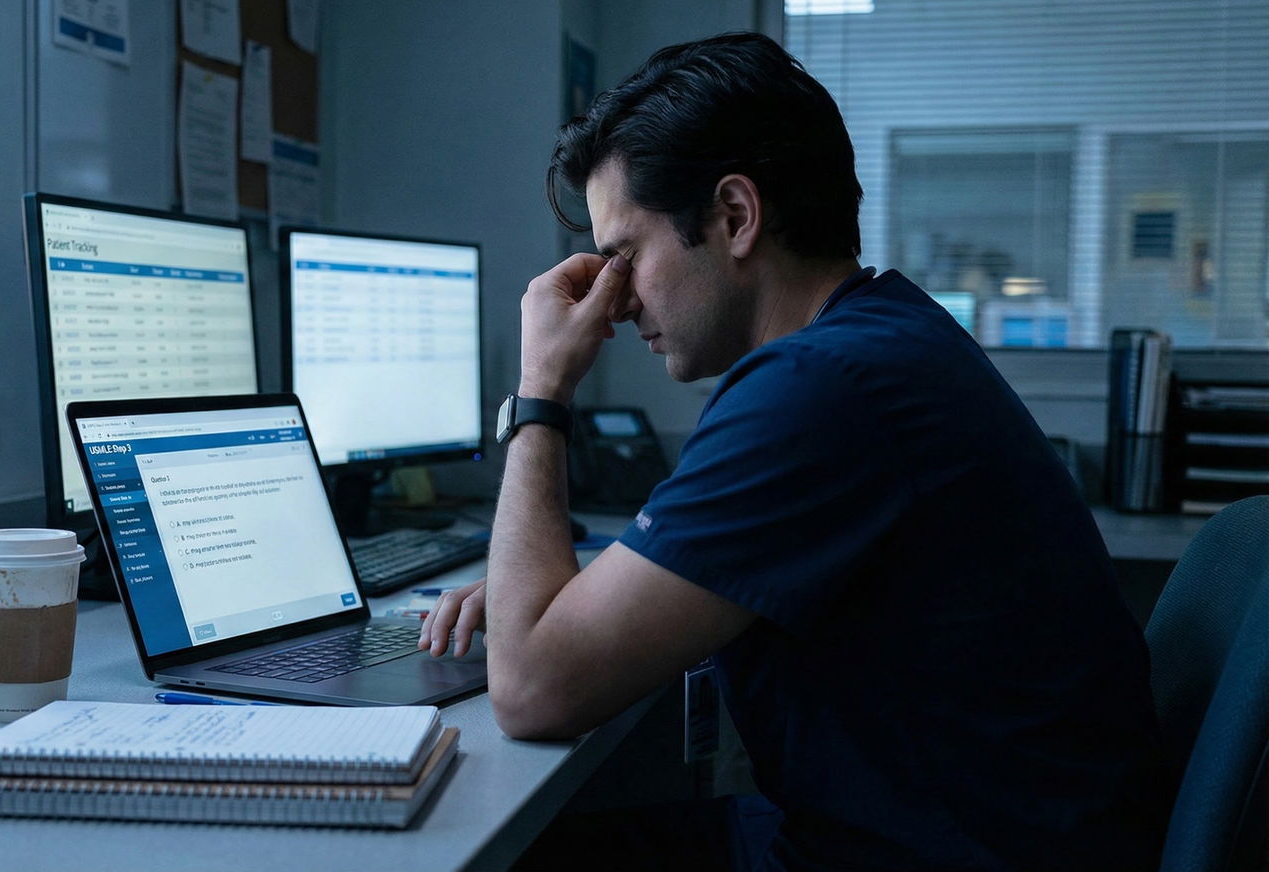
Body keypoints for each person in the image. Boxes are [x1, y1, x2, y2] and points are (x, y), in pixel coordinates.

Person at [418, 31, 1172, 872]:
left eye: (625, 256)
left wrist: (542, 388)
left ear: (735, 217)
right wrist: (557, 593)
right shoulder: (880, 333)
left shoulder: (819, 387)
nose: (615, 301)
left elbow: (533, 691)